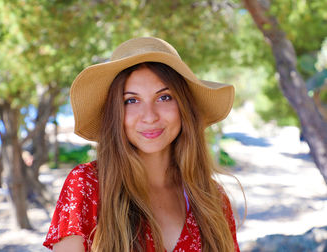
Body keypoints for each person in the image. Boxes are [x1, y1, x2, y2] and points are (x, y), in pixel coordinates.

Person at [43, 37, 240, 252]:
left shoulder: (212, 198)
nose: (149, 116)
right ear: (115, 113)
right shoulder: (86, 185)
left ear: (184, 107)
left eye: (164, 97)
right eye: (131, 100)